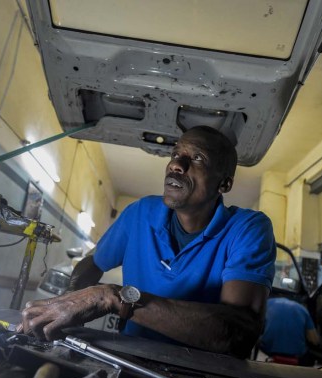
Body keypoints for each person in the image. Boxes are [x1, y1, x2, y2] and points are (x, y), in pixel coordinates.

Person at [19, 126, 276, 358]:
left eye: (197, 158)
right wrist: (67, 307)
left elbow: (238, 334)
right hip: (132, 356)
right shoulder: (140, 213)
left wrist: (112, 297)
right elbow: (92, 264)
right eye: (176, 154)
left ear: (224, 183)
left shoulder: (248, 228)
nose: (177, 165)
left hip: (202, 374)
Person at [259, 297, 320, 365]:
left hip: (268, 350)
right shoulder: (302, 309)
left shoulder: (267, 303)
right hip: (296, 354)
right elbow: (315, 341)